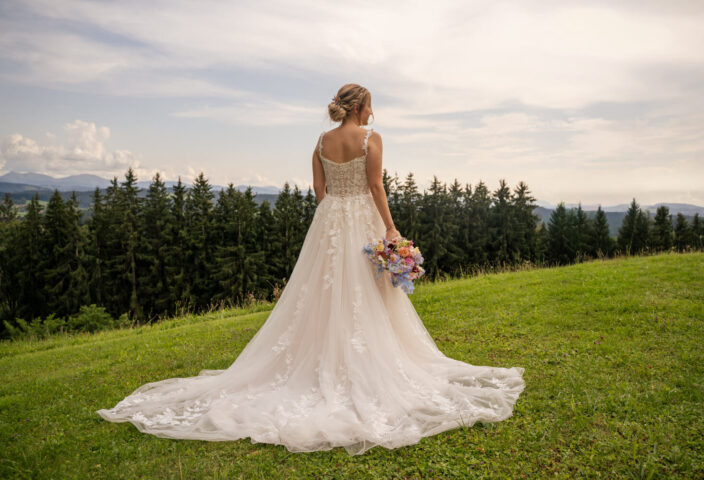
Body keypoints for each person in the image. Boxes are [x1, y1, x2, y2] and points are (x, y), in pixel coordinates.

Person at [96, 83, 526, 455]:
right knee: (367, 291)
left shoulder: (321, 142)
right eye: (370, 106)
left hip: (330, 222)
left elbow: (320, 191)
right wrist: (390, 228)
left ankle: (323, 355)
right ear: (359, 107)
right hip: (362, 218)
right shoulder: (371, 139)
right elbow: (375, 185)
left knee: (323, 291)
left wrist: (335, 220)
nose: (372, 112)